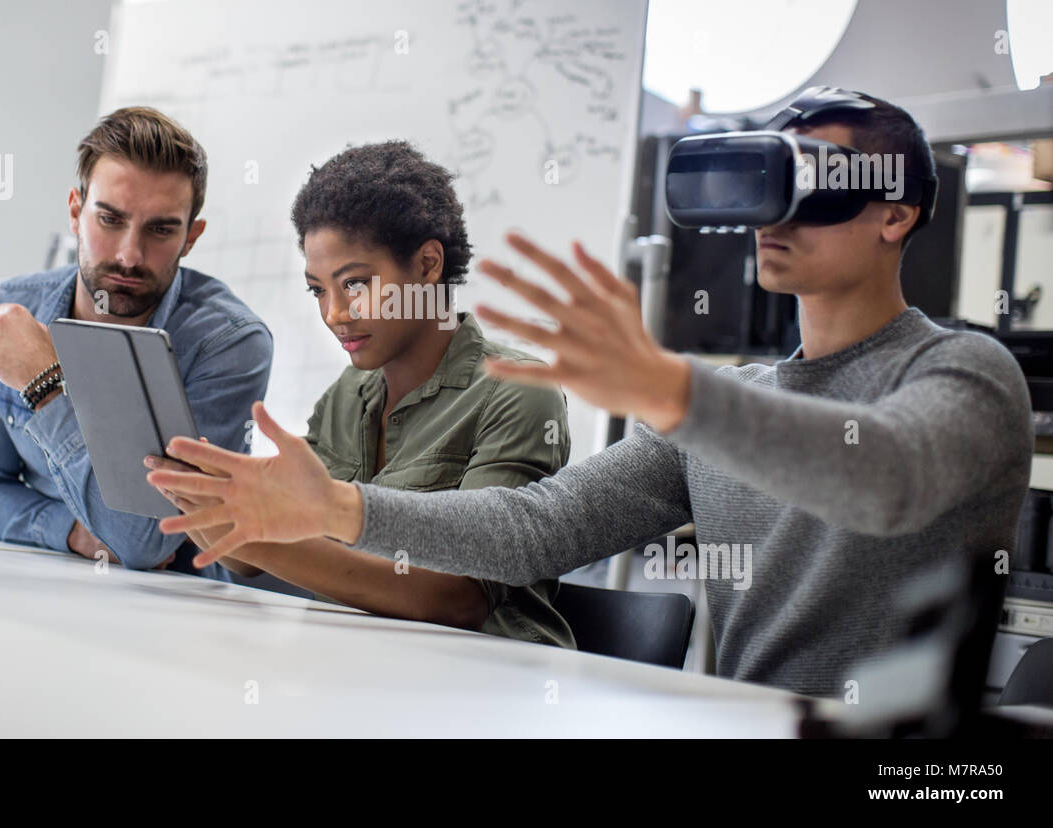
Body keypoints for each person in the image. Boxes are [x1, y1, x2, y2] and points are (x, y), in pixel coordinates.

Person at [148, 92, 1034, 697]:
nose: (775, 217)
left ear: (897, 213)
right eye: (771, 186)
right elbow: (531, 530)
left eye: (814, 189)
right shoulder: (718, 406)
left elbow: (882, 478)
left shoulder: (963, 375)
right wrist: (338, 507)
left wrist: (674, 391)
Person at [150, 141, 574, 646]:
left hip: (482, 691)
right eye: (318, 290)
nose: (334, 313)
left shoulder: (517, 392)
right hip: (358, 669)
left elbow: (456, 597)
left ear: (427, 265)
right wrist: (204, 496)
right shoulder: (348, 396)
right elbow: (246, 560)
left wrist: (260, 537)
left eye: (353, 284)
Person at [0, 106, 272, 577]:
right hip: (42, 585)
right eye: (110, 220)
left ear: (191, 237)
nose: (129, 255)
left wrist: (46, 385)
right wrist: (72, 532)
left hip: (173, 611)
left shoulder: (228, 345)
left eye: (160, 230)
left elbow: (144, 542)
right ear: (76, 212)